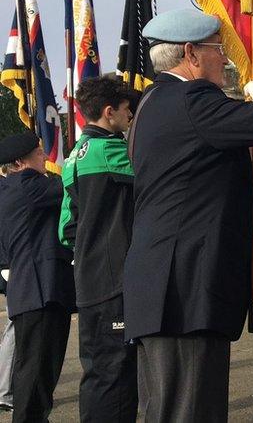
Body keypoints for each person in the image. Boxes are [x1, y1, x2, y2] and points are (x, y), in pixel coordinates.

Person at [122, 8, 253, 421]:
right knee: (190, 411)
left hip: (162, 286)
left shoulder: (151, 103)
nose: (227, 59)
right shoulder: (192, 100)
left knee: (165, 409)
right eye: (218, 49)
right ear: (191, 54)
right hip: (184, 289)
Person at [58, 76, 140, 422]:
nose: (130, 117)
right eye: (126, 111)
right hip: (115, 279)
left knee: (95, 371)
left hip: (88, 280)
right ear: (109, 113)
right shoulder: (116, 152)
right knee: (117, 375)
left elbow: (66, 229)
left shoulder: (72, 159)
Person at [0, 132, 76, 422]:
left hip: (29, 292)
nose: (45, 157)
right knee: (36, 379)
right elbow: (72, 185)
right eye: (38, 153)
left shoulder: (8, 187)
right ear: (20, 162)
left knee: (34, 375)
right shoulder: (28, 186)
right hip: (41, 290)